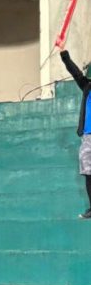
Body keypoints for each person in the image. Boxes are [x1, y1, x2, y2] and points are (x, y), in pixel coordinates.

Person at [60, 48, 91, 218]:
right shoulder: (87, 87)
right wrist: (65, 57)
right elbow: (76, 73)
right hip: (88, 137)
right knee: (88, 172)